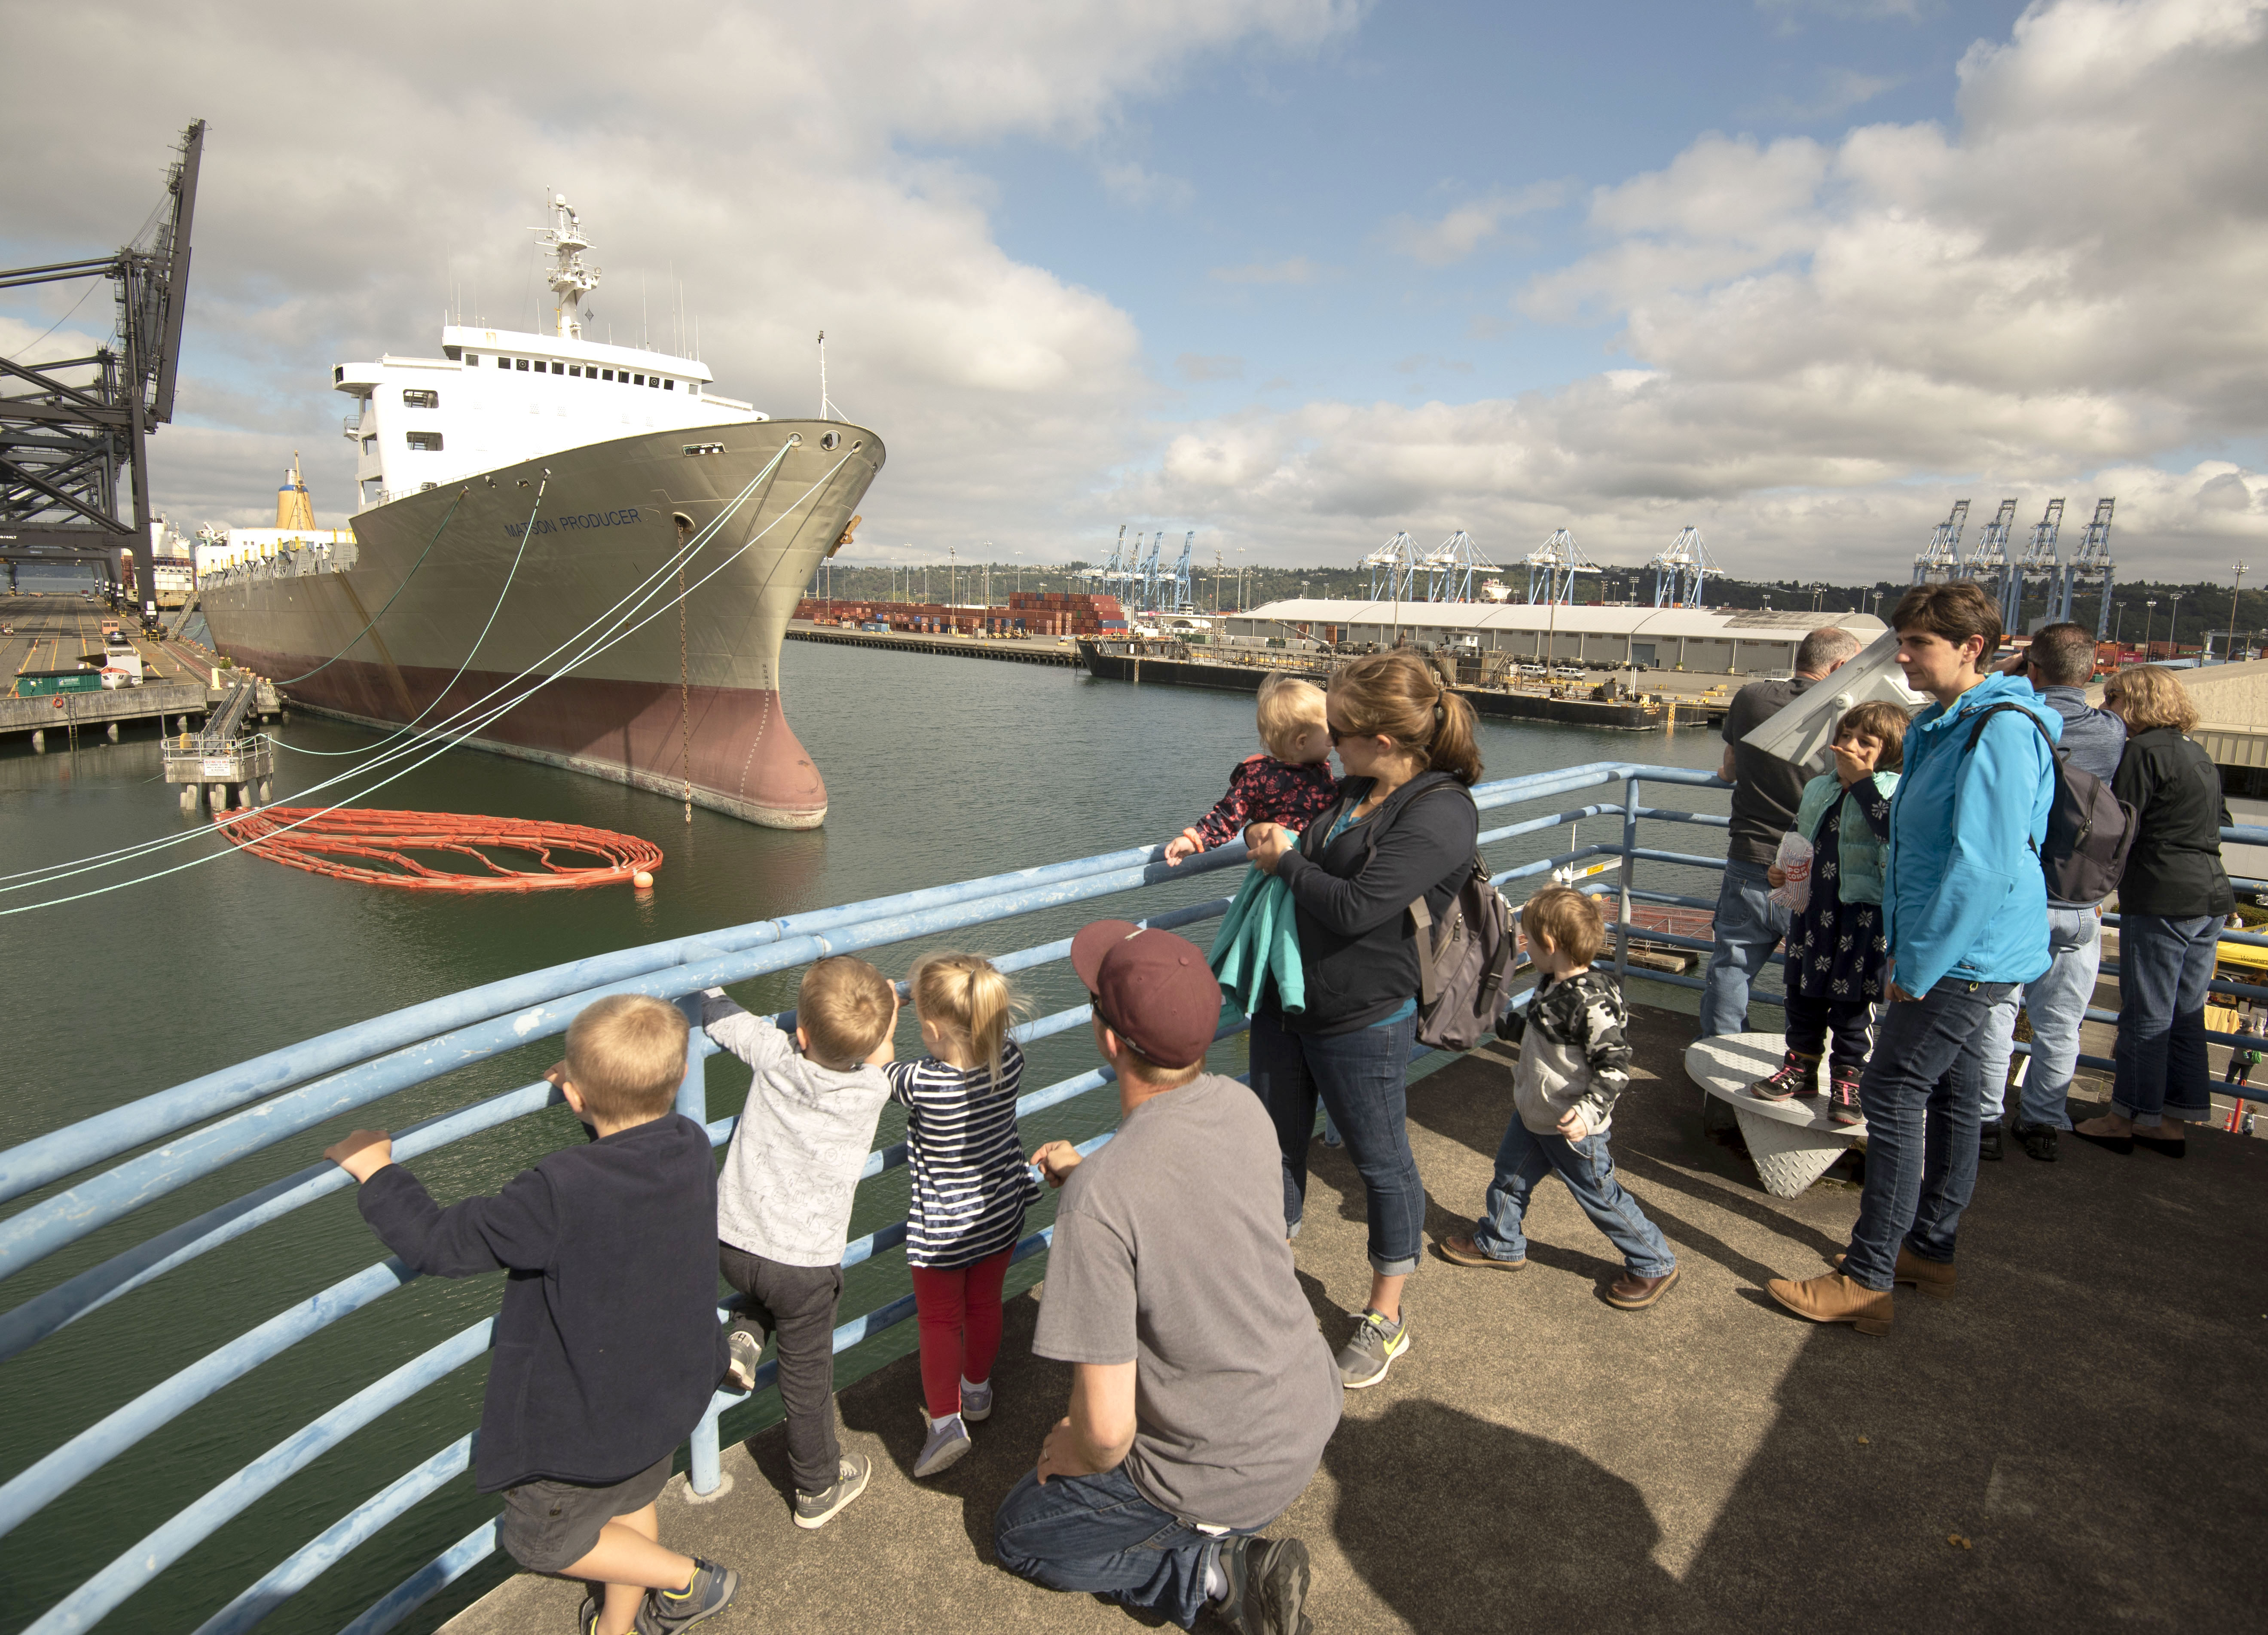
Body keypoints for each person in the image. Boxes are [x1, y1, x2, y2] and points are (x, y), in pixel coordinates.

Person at [321, 994, 737, 1635]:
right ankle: (618, 1627)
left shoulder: (556, 1190)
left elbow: (440, 1244)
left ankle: (686, 1579)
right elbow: (624, 1165)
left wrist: (377, 1172)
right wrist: (589, 1090)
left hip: (588, 1426)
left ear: (575, 1096)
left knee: (544, 1544)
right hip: (666, 1393)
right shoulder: (687, 1141)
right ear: (681, 1079)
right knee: (629, 1505)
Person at [993, 920, 1341, 1635]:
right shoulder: (1241, 1109)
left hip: (1219, 1473)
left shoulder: (1104, 1200)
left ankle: (1213, 1576)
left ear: (1109, 1040)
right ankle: (1217, 1551)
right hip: (1307, 1413)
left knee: (1019, 1531)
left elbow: (1109, 1434)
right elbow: (1184, 1193)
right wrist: (1092, 1179)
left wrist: (1076, 1449)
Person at [1767, 582, 2057, 1335]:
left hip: (1962, 953)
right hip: (1969, 948)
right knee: (1956, 1098)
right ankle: (1927, 1249)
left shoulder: (1996, 730)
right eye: (1901, 639)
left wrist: (1918, 963)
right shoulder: (1943, 724)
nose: (1901, 655)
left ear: (1971, 647)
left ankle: (1865, 1279)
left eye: (1917, 643)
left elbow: (1983, 864)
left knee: (1891, 1097)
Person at [1242, 649, 1483, 1388]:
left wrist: (1284, 861)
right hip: (1289, 1004)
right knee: (1273, 1149)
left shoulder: (1440, 812)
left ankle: (1385, 1315)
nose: (1326, 739)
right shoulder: (1351, 787)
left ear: (1382, 739)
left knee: (1380, 1162)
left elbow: (1354, 907)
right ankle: (1270, 1287)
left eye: (1336, 728)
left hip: (1362, 1017)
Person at [702, 956, 897, 1527]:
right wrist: (884, 1015)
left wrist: (699, 971)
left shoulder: (774, 1051)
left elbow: (718, 1015)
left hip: (732, 1243)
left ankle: (743, 1335)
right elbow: (881, 1051)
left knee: (762, 1286)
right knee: (807, 1379)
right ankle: (816, 1487)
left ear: (801, 1032)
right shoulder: (873, 1086)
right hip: (804, 1268)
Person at [1437, 886, 1679, 1308]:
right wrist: (1492, 1017)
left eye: (1527, 938)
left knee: (1601, 1197)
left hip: (1573, 1127)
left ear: (1549, 945)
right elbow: (1535, 1032)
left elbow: (1615, 1067)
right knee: (1509, 1177)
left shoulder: (1592, 1002)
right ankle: (1499, 1240)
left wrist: (1587, 1113)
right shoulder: (1553, 984)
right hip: (1536, 1114)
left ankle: (1654, 1260)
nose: (1522, 944)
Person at [886, 952, 1041, 1479]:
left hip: (943, 1232)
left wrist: (886, 1013)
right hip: (999, 1214)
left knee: (939, 1321)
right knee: (983, 1304)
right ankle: (976, 1391)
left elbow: (876, 1066)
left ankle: (946, 1424)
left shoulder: (922, 1083)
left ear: (930, 1027)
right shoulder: (1011, 1058)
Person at [1977, 623, 2127, 1162]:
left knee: (1997, 1014)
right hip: (2080, 898)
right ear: (2090, 673)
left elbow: (1980, 698)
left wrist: (2013, 671)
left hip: (2020, 897)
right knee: (2061, 1024)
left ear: (2031, 668)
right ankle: (2042, 1121)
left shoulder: (2013, 722)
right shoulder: (2109, 731)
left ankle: (1985, 1120)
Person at [2075, 666, 2234, 1158]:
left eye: (2113, 697)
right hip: (2210, 893)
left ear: (2135, 701)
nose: (2106, 708)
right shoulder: (2195, 751)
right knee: (2184, 1012)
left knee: (2146, 1009)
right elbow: (2220, 819)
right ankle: (2171, 1120)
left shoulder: (2142, 752)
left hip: (2164, 894)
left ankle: (2125, 1115)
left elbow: (2119, 822)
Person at [1746, 701, 1907, 1124]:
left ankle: (1849, 1080)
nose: (1849, 746)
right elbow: (1800, 837)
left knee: (1853, 1001)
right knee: (1802, 991)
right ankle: (1799, 1067)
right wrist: (1782, 870)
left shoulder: (1895, 789)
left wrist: (1864, 782)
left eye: (1865, 742)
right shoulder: (1820, 786)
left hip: (1863, 914)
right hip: (1813, 907)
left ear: (1889, 751)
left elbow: (1895, 835)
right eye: (1845, 736)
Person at [1700, 627, 1864, 1037]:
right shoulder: (1849, 718)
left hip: (1749, 857)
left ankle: (1718, 1055)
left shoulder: (1751, 697)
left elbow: (1731, 766)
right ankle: (1802, 1063)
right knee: (1814, 978)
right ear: (1841, 667)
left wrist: (1727, 774)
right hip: (1818, 869)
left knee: (1731, 968)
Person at [1163, 674, 1339, 864]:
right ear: (1302, 742)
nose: (1335, 739)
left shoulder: (1320, 769)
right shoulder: (1259, 777)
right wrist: (1193, 839)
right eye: (1330, 730)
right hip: (1283, 871)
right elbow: (1229, 815)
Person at [2224, 1012, 2260, 1089]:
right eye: (2244, 1029)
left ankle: (2239, 1092)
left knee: (2243, 1078)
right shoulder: (2239, 1032)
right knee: (2231, 1074)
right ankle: (2226, 1089)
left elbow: (2261, 1047)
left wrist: (2252, 1050)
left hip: (2248, 1062)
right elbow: (2232, 1041)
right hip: (2236, 1059)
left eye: (2247, 1029)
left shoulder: (2258, 1035)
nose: (2245, 1031)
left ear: (2251, 1027)